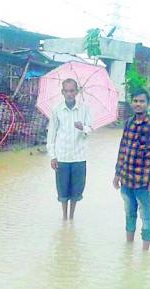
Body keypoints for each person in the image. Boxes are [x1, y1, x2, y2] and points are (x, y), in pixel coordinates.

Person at [113, 88, 150, 250]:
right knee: (129, 213)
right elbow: (123, 148)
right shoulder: (128, 122)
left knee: (146, 215)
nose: (138, 104)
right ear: (131, 103)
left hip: (144, 181)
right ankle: (129, 246)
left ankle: (145, 251)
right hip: (127, 178)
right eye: (135, 101)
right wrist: (117, 173)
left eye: (142, 101)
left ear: (148, 104)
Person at [46, 78, 92, 220]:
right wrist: (53, 156)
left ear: (77, 92)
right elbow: (51, 134)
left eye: (72, 91)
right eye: (66, 91)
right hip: (62, 157)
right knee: (62, 190)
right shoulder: (56, 110)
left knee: (76, 191)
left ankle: (72, 216)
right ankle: (64, 217)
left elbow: (90, 129)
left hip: (79, 157)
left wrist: (82, 127)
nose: (69, 94)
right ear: (62, 92)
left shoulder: (85, 108)